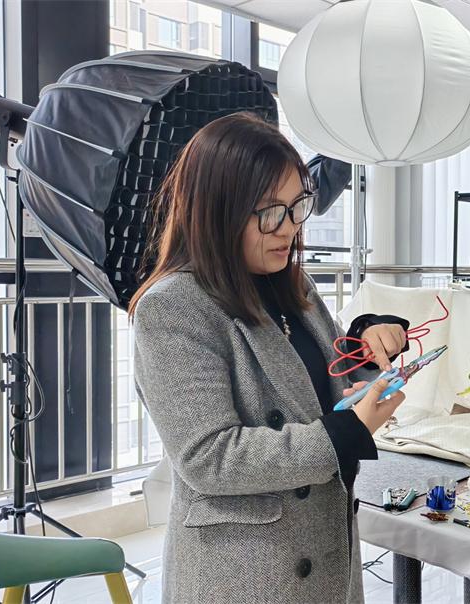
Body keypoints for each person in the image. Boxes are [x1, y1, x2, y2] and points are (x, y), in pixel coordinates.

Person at [129, 112, 408, 603]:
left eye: (298, 206)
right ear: (218, 210)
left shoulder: (293, 285)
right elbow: (209, 457)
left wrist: (369, 343)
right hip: (245, 571)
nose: (290, 228)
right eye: (270, 212)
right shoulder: (173, 306)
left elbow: (328, 376)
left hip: (326, 553)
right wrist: (342, 435)